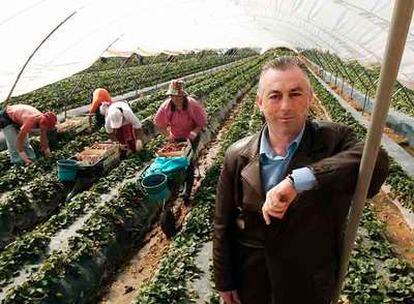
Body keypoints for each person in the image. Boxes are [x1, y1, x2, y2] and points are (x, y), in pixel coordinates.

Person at [213, 57, 389, 304]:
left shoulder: (333, 140)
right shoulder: (237, 154)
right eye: (275, 96)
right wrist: (224, 280)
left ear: (310, 98)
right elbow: (223, 223)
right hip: (252, 278)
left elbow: (376, 160)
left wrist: (299, 180)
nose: (286, 106)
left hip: (308, 279)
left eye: (295, 94)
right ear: (259, 103)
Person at [153, 79, 207, 203]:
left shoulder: (192, 105)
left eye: (178, 96)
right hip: (176, 137)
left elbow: (202, 122)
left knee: (188, 160)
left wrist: (194, 133)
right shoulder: (166, 107)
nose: (175, 98)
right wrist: (169, 135)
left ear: (183, 95)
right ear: (170, 95)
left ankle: (187, 190)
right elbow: (158, 123)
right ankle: (180, 184)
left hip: (191, 135)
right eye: (173, 96)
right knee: (177, 161)